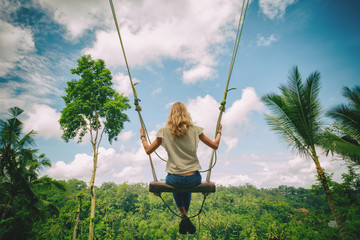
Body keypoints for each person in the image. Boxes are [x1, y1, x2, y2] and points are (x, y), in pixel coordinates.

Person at [140, 102, 222, 234]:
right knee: (186, 185)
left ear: (171, 114)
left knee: (177, 183)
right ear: (186, 113)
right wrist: (219, 132)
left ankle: (183, 215)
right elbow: (215, 145)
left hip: (174, 179)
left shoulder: (164, 132)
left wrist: (143, 136)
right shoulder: (196, 130)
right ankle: (185, 216)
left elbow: (148, 150)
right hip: (193, 178)